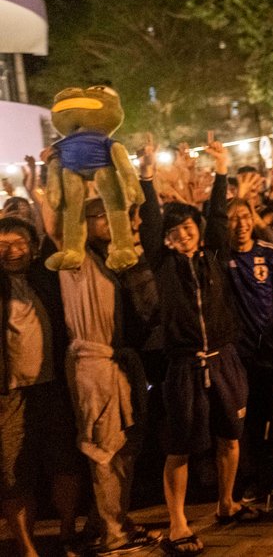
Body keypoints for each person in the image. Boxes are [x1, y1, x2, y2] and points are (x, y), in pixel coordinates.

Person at [138, 135, 257, 556]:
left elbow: (219, 215)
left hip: (224, 358)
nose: (184, 234)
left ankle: (227, 503)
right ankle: (178, 524)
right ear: (168, 238)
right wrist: (147, 177)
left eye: (189, 227)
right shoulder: (163, 263)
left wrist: (222, 169)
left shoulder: (214, 255)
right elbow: (150, 225)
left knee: (230, 436)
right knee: (180, 446)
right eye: (175, 231)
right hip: (184, 365)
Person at [51, 197, 160, 555]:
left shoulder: (115, 259)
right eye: (102, 217)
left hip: (119, 364)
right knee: (104, 449)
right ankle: (112, 535)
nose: (112, 222)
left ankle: (109, 520)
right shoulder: (76, 258)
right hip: (94, 366)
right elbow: (56, 228)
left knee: (126, 446)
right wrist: (52, 182)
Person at [0, 218, 82, 557]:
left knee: (65, 462)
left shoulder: (47, 279)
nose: (12, 251)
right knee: (13, 473)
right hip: (8, 395)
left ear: (33, 248)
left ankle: (68, 531)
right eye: (3, 244)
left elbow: (59, 231)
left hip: (52, 387)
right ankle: (27, 548)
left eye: (20, 243)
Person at [225, 198, 273, 502]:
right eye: (233, 218)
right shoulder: (219, 256)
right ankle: (253, 476)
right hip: (237, 352)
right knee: (247, 416)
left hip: (270, 347)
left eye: (245, 216)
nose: (240, 223)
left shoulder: (269, 253)